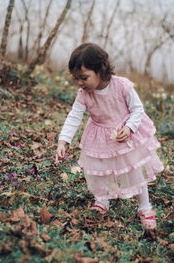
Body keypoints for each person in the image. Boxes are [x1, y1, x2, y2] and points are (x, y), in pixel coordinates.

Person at [56, 43, 164, 230]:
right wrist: (64, 140)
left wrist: (130, 127)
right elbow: (74, 116)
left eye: (84, 77)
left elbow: (137, 109)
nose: (80, 83)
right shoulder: (84, 94)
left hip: (124, 134)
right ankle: (102, 201)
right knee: (99, 170)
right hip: (99, 136)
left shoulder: (121, 85)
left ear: (100, 70)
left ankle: (145, 207)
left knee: (134, 170)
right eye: (76, 79)